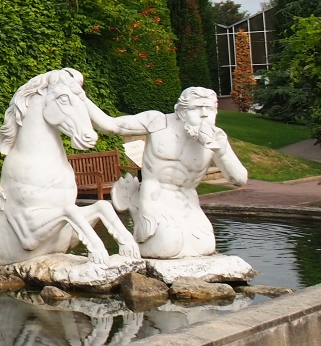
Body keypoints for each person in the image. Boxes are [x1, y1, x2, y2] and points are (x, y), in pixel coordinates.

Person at [87, 86, 248, 259]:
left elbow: (239, 179)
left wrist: (221, 150)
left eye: (209, 109)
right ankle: (137, 208)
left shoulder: (217, 139)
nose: (204, 114)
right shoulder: (158, 122)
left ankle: (135, 205)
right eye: (196, 108)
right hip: (156, 196)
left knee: (205, 247)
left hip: (188, 201)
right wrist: (78, 95)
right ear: (181, 112)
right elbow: (109, 125)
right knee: (168, 247)